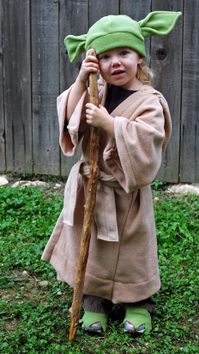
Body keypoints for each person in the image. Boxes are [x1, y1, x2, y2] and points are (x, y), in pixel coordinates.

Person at [42, 11, 181, 334]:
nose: (115, 62)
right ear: (96, 63)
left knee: (132, 250)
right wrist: (80, 81)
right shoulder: (95, 90)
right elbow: (70, 119)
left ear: (139, 58)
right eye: (105, 56)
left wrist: (111, 124)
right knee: (92, 250)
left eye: (124, 53)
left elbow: (149, 141)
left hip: (126, 194)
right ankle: (94, 300)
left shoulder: (150, 101)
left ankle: (138, 302)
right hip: (93, 187)